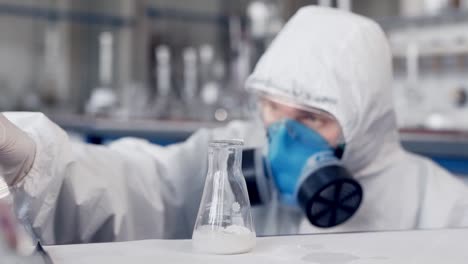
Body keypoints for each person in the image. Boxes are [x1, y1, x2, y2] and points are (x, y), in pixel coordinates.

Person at [1, 6, 468, 245]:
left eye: (311, 118)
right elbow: (142, 187)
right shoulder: (231, 155)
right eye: (271, 108)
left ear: (366, 125)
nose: (281, 137)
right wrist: (35, 161)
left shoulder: (444, 210)